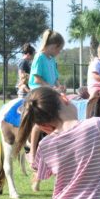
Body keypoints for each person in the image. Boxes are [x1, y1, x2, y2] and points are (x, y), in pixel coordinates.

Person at [27, 30, 66, 170]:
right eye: (59, 49)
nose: (59, 52)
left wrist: (59, 86)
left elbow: (55, 78)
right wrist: (51, 88)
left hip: (50, 92)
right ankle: (31, 153)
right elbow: (37, 78)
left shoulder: (51, 59)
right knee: (40, 123)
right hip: (38, 93)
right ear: (53, 46)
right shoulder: (39, 57)